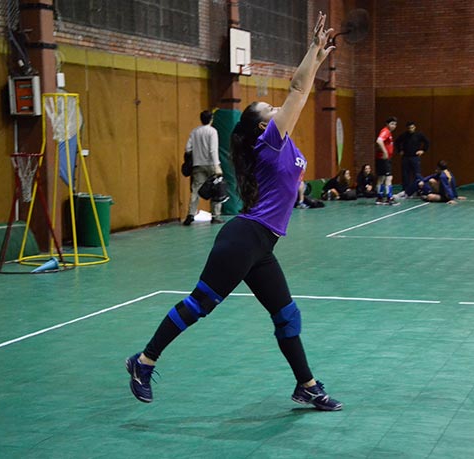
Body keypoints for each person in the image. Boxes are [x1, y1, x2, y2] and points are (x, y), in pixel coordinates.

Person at [126, 12, 342, 411]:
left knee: (287, 316)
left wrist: (317, 55)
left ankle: (306, 385)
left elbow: (298, 91)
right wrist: (313, 51)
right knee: (199, 304)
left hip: (261, 247)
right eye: (271, 109)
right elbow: (297, 89)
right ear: (264, 128)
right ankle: (143, 361)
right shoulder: (270, 142)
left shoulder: (282, 141)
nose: (280, 108)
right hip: (243, 240)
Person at [183, 110, 223, 225]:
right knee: (216, 189)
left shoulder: (194, 132)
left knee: (196, 190)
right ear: (211, 119)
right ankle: (215, 216)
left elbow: (187, 148)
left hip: (197, 164)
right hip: (211, 164)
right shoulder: (212, 131)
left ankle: (190, 214)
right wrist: (217, 166)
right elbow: (213, 149)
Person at [395, 121, 430, 195]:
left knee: (417, 174)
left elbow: (427, 141)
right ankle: (406, 190)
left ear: (415, 127)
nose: (411, 129)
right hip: (406, 157)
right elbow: (397, 142)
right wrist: (400, 150)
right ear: (407, 128)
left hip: (415, 157)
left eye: (412, 127)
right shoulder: (404, 135)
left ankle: (418, 190)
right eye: (409, 128)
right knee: (405, 175)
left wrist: (423, 150)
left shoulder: (419, 135)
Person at [375, 116, 399, 205]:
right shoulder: (385, 131)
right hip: (384, 159)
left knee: (381, 178)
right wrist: (385, 152)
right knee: (389, 177)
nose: (393, 126)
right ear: (387, 124)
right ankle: (390, 198)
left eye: (395, 124)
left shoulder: (387, 132)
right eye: (392, 124)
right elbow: (379, 141)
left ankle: (379, 198)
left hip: (381, 158)